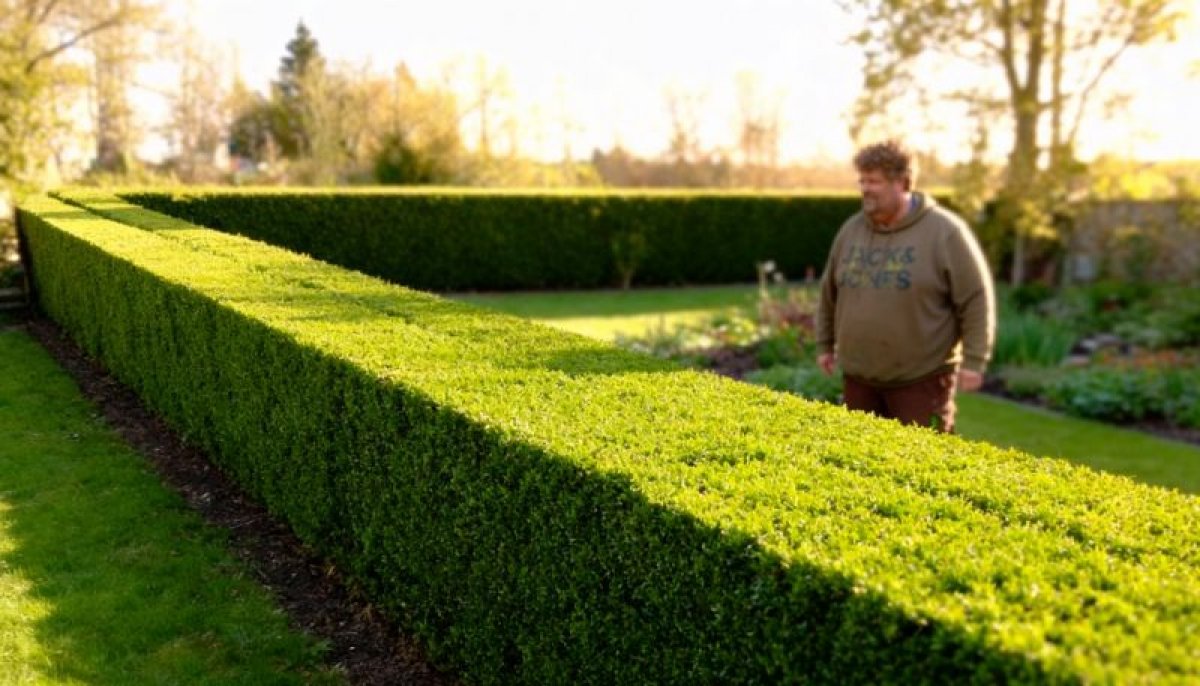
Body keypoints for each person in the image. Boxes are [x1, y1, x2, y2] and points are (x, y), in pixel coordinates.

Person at [815, 140, 995, 433]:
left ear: (903, 182)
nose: (865, 189)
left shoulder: (945, 233)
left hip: (921, 383)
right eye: (862, 181)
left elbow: (975, 298)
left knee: (923, 458)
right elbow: (829, 293)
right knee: (859, 456)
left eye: (874, 181)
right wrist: (825, 343)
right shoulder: (851, 231)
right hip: (859, 381)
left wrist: (974, 361)